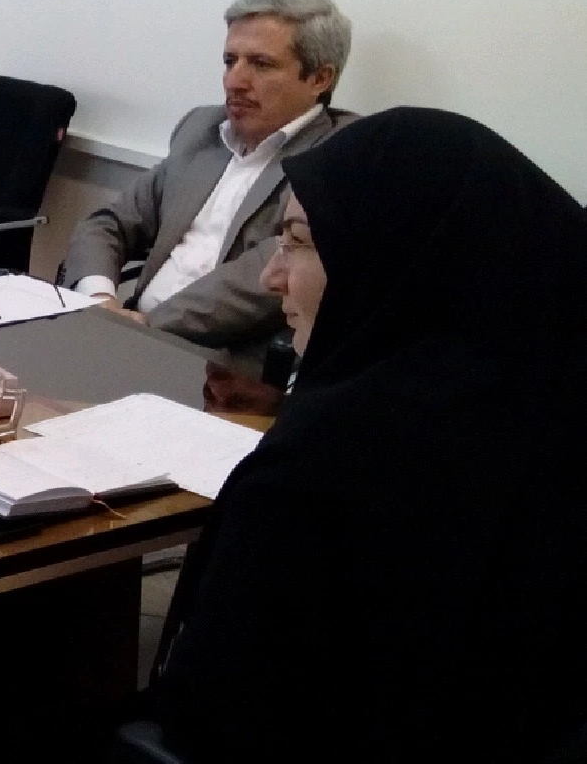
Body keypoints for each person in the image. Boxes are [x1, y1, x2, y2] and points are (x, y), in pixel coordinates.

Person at [148, 108, 587, 761]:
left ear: (395, 256)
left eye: (298, 240)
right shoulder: (547, 416)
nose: (272, 277)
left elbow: (215, 710)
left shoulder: (319, 471)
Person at [58, 0, 357, 368]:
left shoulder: (339, 155)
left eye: (261, 64)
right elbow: (109, 224)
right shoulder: (201, 129)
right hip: (124, 332)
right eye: (230, 61)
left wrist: (143, 327)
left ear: (319, 78)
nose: (235, 81)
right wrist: (100, 300)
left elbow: (266, 279)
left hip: (223, 364)